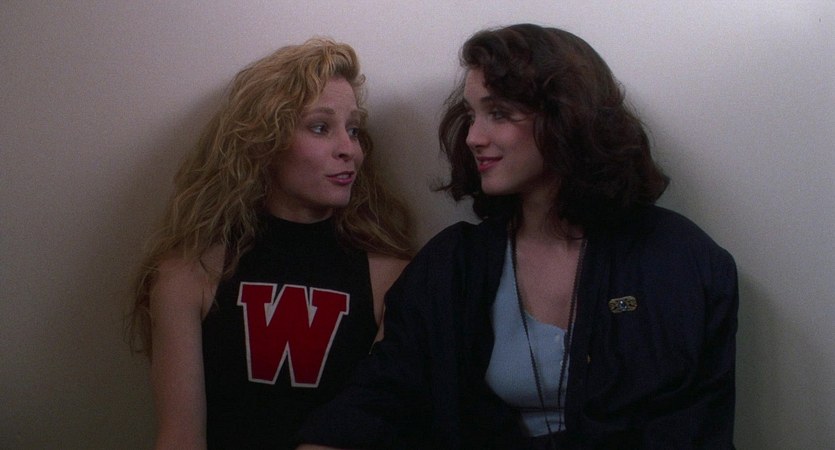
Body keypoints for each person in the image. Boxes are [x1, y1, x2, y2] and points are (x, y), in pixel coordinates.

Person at [297, 24, 738, 449]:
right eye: (471, 115)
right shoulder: (455, 265)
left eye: (499, 113)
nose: (473, 137)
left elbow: (695, 426)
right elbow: (383, 394)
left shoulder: (679, 262)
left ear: (566, 117)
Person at [127, 38, 415, 449]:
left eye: (353, 130)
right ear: (266, 140)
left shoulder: (392, 277)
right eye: (321, 127)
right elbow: (180, 437)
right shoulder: (189, 272)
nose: (348, 149)